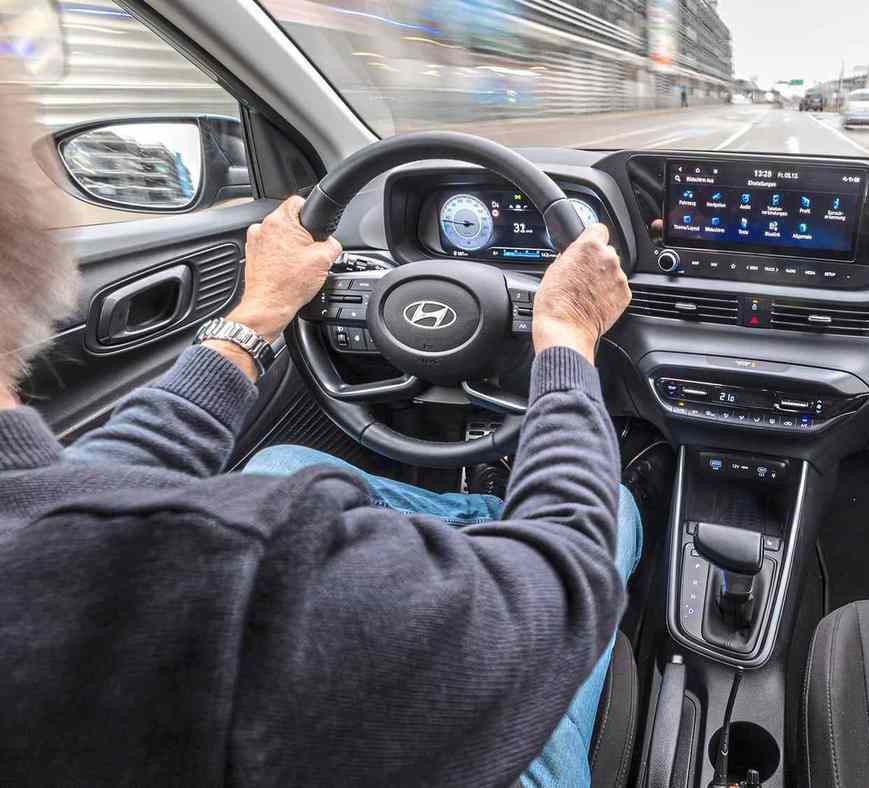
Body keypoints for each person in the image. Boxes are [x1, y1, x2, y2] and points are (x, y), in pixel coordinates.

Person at [0, 56, 637, 787]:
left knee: (283, 467)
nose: (45, 179)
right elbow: (558, 589)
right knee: (613, 507)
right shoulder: (238, 574)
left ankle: (478, 525)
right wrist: (566, 334)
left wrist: (257, 314)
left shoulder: (42, 530)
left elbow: (90, 483)